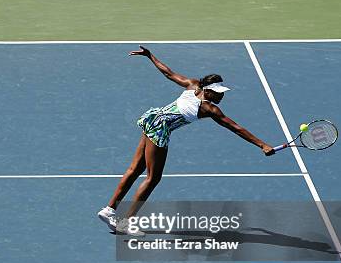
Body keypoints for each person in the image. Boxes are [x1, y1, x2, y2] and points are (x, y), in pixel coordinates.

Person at [98, 46, 274, 235]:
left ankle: (109, 210)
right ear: (208, 91)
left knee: (135, 170)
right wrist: (262, 144)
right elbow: (236, 128)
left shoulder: (192, 85)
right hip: (160, 130)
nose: (221, 95)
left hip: (152, 119)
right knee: (153, 178)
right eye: (218, 92)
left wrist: (150, 56)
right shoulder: (209, 109)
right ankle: (126, 223)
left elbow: (168, 73)